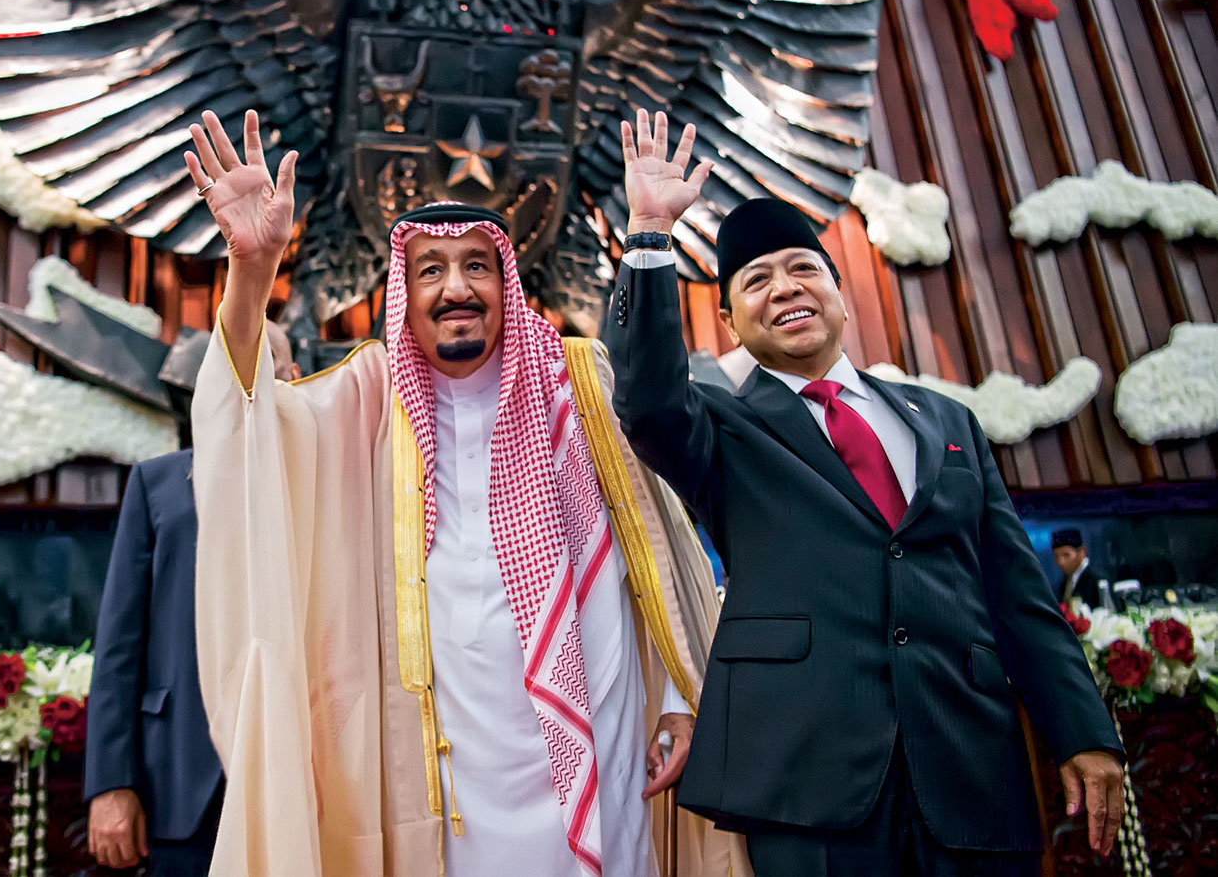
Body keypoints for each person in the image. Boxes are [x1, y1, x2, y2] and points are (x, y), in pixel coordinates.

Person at [181, 110, 740, 877]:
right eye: (430, 271)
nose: (456, 288)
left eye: (477, 266)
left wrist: (679, 693)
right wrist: (252, 272)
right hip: (439, 772)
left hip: (599, 746)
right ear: (403, 295)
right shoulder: (369, 403)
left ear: (507, 284)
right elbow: (248, 423)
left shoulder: (579, 384)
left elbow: (661, 546)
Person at [603, 109, 1127, 877]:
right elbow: (647, 394)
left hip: (970, 767)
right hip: (809, 783)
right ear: (729, 321)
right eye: (756, 281)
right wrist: (650, 235)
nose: (785, 288)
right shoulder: (719, 429)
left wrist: (1083, 731)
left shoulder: (947, 421)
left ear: (839, 292)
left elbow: (1017, 592)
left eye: (803, 268)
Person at [84, 323, 301, 875]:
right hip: (181, 778)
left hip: (304, 777)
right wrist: (110, 784)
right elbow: (119, 645)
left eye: (265, 361)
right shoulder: (155, 485)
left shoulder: (327, 482)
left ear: (294, 377)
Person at [1053, 528, 1118, 610]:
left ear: (1082, 552)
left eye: (1066, 555)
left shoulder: (1097, 578)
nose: (1060, 562)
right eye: (1056, 556)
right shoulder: (1064, 582)